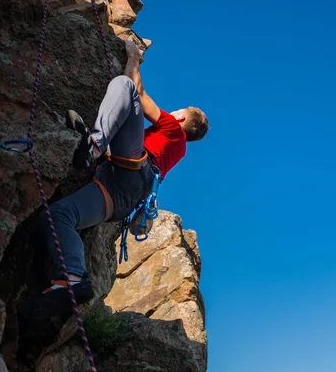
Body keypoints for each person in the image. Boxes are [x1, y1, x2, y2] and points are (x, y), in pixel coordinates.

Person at [18, 40, 209, 321]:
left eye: (176, 110)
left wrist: (133, 56)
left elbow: (138, 92)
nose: (172, 112)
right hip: (122, 197)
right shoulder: (174, 149)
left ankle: (93, 144)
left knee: (125, 85)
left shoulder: (171, 128)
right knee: (58, 215)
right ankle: (73, 277)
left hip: (130, 173)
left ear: (180, 117)